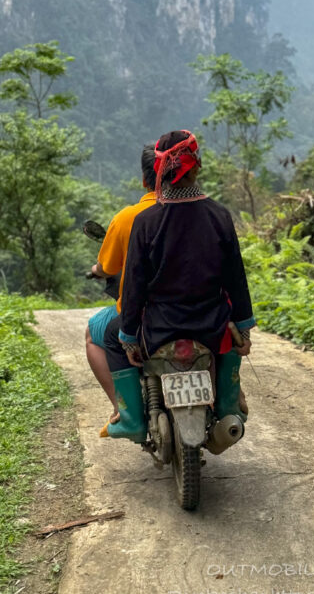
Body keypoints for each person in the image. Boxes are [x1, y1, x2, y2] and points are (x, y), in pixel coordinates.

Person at [103, 129, 255, 442]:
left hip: (159, 329)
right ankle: (229, 407)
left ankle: (130, 418)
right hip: (210, 327)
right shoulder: (220, 216)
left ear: (158, 172)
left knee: (111, 336)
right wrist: (243, 328)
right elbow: (235, 279)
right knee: (232, 346)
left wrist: (130, 337)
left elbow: (133, 287)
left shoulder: (147, 222)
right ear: (196, 165)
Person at [84, 143, 157, 432]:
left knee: (95, 333)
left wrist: (96, 270)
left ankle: (123, 410)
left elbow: (107, 267)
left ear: (144, 179)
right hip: (196, 310)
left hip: (141, 318)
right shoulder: (196, 215)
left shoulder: (128, 218)